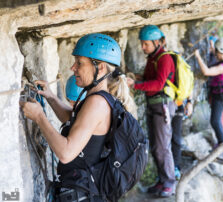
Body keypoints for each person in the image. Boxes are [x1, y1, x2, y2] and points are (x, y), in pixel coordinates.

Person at [20, 33, 136, 201]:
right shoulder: (101, 98)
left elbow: (66, 153)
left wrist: (39, 117)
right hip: (83, 191)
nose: (73, 68)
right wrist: (51, 97)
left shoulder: (97, 103)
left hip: (81, 192)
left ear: (101, 67)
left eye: (79, 63)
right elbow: (74, 121)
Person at [126, 25, 176, 197]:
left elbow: (158, 84)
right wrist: (136, 78)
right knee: (156, 147)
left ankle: (169, 183)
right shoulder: (152, 58)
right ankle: (162, 181)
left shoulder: (164, 58)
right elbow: (150, 79)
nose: (143, 47)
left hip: (162, 107)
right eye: (142, 43)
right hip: (154, 106)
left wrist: (135, 85)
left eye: (145, 44)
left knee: (162, 147)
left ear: (156, 42)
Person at [158, 30, 193, 180]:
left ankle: (171, 171)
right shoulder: (178, 58)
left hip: (173, 103)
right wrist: (189, 102)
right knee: (173, 138)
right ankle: (173, 169)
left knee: (169, 139)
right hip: (178, 103)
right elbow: (189, 81)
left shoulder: (166, 60)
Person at [194, 38, 223, 164]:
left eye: (216, 50)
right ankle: (222, 147)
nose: (214, 53)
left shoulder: (222, 67)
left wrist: (198, 56)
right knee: (217, 120)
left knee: (215, 121)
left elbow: (207, 71)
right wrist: (212, 46)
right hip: (221, 96)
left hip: (219, 97)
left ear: (219, 51)